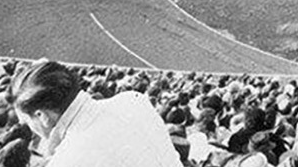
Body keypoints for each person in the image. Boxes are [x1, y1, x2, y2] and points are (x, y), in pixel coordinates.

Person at [10, 60, 180, 167]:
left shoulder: (68, 159)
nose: (31, 129)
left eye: (27, 121)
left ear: (42, 116)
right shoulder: (133, 100)